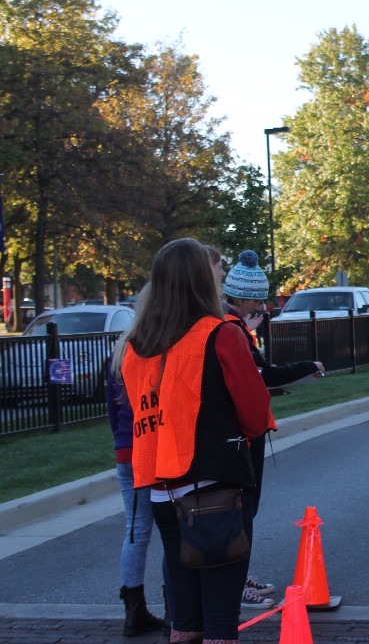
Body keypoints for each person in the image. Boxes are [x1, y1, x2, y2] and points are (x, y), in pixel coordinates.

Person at [115, 237, 274, 644]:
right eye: (214, 272)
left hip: (161, 489)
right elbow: (256, 415)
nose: (219, 277)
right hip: (212, 489)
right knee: (220, 620)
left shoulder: (134, 346)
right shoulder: (220, 335)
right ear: (203, 281)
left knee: (184, 617)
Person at [217, 248, 324, 609]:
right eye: (258, 299)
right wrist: (308, 366)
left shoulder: (235, 328)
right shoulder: (231, 331)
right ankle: (234, 584)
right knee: (242, 510)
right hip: (242, 436)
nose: (261, 305)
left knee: (244, 509)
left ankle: (237, 576)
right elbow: (264, 374)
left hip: (244, 433)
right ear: (246, 296)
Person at [107, 286, 164, 638]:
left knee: (135, 530)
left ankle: (134, 606)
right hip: (153, 448)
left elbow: (112, 412)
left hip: (125, 450)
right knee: (175, 530)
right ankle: (177, 606)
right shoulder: (157, 348)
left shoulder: (120, 349)